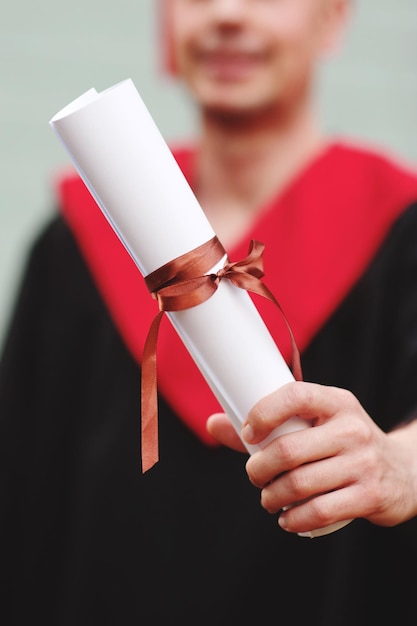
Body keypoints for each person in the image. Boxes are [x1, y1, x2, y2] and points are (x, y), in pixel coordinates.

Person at [1, 0, 417, 624]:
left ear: (332, 19)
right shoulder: (74, 243)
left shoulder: (402, 236)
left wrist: (402, 463)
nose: (226, 12)